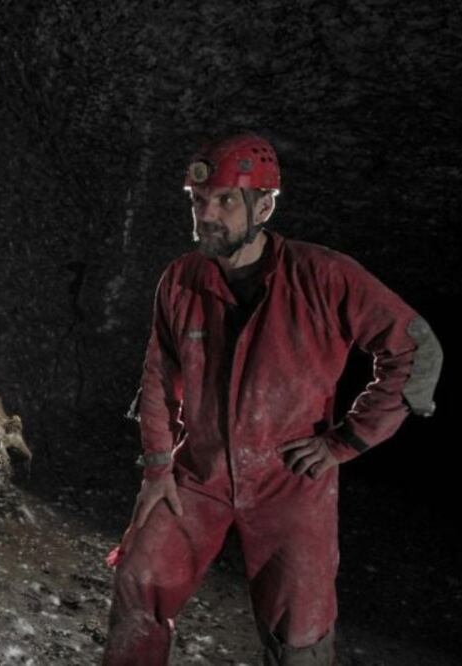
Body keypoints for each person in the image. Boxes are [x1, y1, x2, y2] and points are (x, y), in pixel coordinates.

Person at [102, 133, 444, 665]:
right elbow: (157, 378)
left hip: (290, 481)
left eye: (224, 201)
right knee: (139, 578)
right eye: (199, 201)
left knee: (301, 631)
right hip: (200, 474)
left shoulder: (323, 276)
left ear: (263, 205)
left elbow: (415, 348)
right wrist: (156, 468)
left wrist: (347, 441)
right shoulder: (182, 279)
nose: (206, 215)